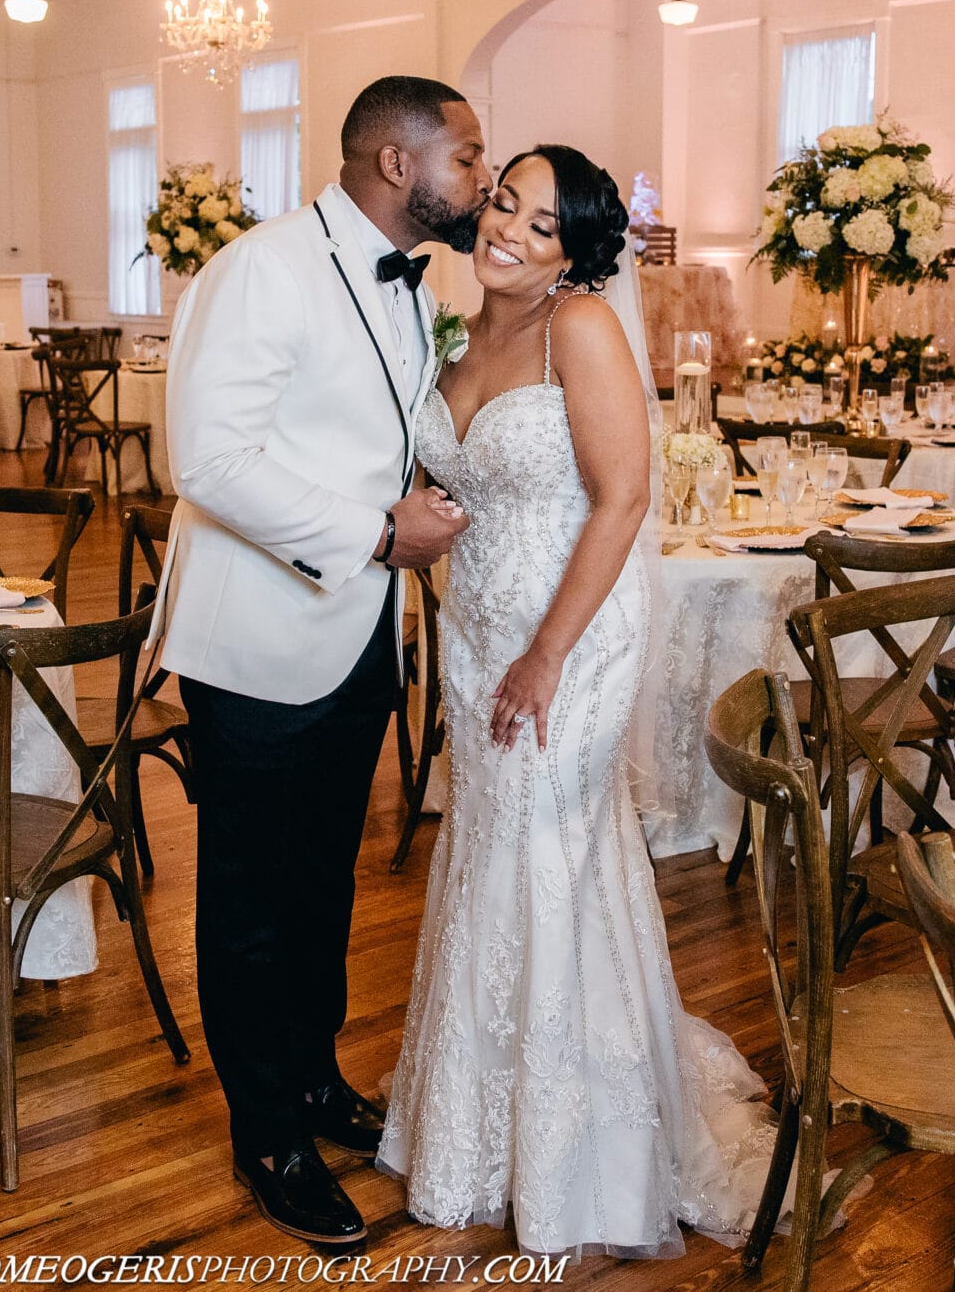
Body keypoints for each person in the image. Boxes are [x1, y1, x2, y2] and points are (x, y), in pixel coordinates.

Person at [377, 145, 775, 1257]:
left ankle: (572, 1150)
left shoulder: (580, 327)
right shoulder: (459, 333)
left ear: (574, 250)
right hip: (478, 630)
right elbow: (458, 481)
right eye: (503, 201)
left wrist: (549, 651)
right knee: (489, 852)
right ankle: (482, 1113)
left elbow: (623, 495)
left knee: (547, 853)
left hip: (570, 635)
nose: (508, 228)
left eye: (541, 223)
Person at [158, 75, 491, 1246]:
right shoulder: (260, 269)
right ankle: (267, 1137)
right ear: (395, 165)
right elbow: (208, 457)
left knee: (323, 881)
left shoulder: (407, 281)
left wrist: (420, 497)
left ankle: (310, 1078)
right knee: (251, 900)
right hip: (256, 637)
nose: (481, 177)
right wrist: (369, 533)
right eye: (466, 153)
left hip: (357, 631)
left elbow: (361, 436)